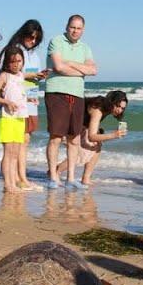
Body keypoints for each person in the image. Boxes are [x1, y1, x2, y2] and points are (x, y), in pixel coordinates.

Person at [45, 15, 97, 190]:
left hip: (77, 95)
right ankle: (53, 176)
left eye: (79, 28)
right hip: (57, 92)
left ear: (83, 30)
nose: (75, 31)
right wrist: (81, 70)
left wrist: (71, 63)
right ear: (67, 27)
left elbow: (93, 70)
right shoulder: (56, 41)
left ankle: (71, 179)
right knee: (56, 137)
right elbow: (59, 67)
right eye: (72, 27)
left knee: (74, 138)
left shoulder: (85, 48)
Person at [2, 19, 48, 190]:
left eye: (36, 39)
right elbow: (12, 74)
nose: (33, 41)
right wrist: (34, 75)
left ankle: (22, 176)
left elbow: (30, 75)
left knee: (26, 139)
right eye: (31, 37)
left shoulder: (34, 54)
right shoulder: (16, 50)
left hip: (31, 99)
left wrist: (39, 76)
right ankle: (16, 177)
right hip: (18, 102)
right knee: (17, 141)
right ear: (24, 34)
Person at [57, 90, 128, 185]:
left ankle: (86, 178)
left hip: (81, 126)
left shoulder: (106, 108)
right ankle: (56, 171)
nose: (120, 110)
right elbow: (91, 137)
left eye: (122, 108)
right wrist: (113, 135)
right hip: (69, 124)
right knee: (80, 154)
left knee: (97, 146)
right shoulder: (98, 110)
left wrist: (99, 132)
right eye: (118, 106)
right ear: (111, 102)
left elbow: (90, 123)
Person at [0, 46, 28, 192]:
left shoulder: (21, 75)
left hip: (20, 118)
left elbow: (22, 91)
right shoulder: (4, 76)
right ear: (7, 63)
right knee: (8, 151)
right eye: (13, 62)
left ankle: (13, 183)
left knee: (16, 152)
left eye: (19, 61)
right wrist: (7, 102)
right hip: (7, 118)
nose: (16, 64)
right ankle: (8, 184)